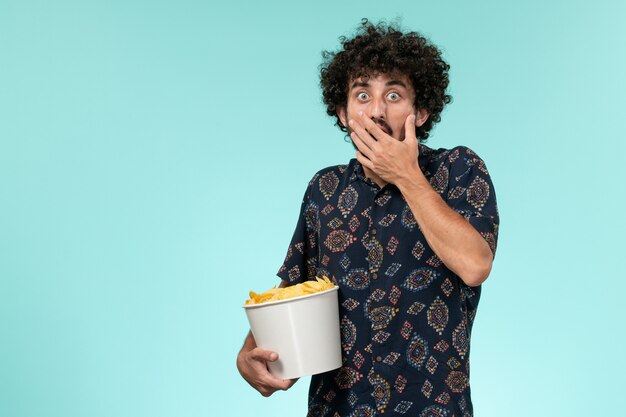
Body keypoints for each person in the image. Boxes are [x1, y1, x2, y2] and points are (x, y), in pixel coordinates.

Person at [237, 19, 499, 417]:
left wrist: (407, 176)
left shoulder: (458, 169)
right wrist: (248, 354)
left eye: (393, 94)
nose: (377, 110)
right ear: (342, 113)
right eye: (362, 95)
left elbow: (476, 265)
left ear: (421, 111)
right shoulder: (324, 190)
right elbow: (290, 297)